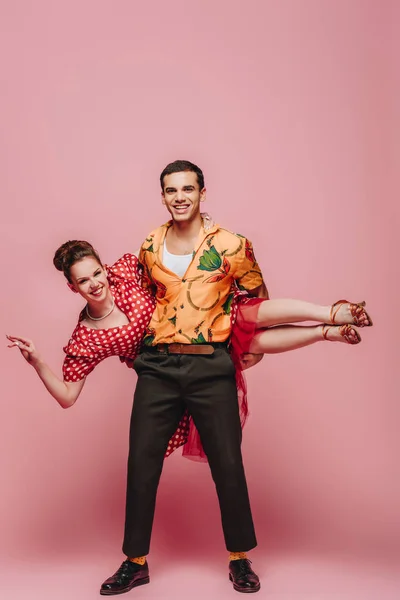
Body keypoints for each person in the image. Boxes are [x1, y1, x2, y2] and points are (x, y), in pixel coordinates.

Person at [97, 160, 372, 596]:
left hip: (211, 366)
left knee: (228, 464)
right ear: (163, 196)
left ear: (203, 192)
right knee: (140, 463)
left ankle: (239, 559)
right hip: (158, 367)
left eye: (188, 188)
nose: (180, 197)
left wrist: (245, 345)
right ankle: (135, 562)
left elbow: (256, 297)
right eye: (171, 190)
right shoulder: (150, 243)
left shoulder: (232, 244)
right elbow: (148, 300)